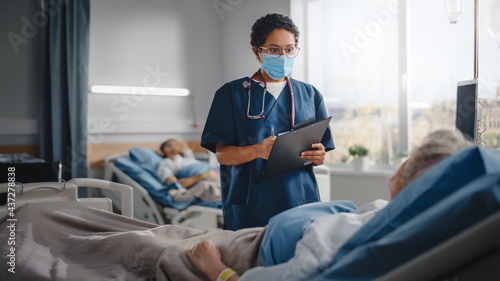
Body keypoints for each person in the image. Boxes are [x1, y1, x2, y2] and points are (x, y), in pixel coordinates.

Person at [187, 129, 473, 281]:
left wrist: (215, 268)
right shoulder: (406, 225)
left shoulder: (344, 241)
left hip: (246, 254)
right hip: (256, 238)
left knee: (154, 243)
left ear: (410, 174)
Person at [201, 13, 335, 231]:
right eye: (274, 49)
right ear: (257, 51)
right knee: (249, 262)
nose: (283, 56)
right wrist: (257, 150)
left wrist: (318, 157)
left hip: (300, 201)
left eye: (289, 49)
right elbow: (223, 155)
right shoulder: (230, 95)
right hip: (253, 205)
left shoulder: (311, 95)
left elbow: (320, 151)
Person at [157, 139, 221, 202]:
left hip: (216, 172)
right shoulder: (166, 163)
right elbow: (175, 184)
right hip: (207, 177)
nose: (180, 145)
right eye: (176, 144)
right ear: (167, 149)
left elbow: (184, 144)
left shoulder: (187, 158)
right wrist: (203, 175)